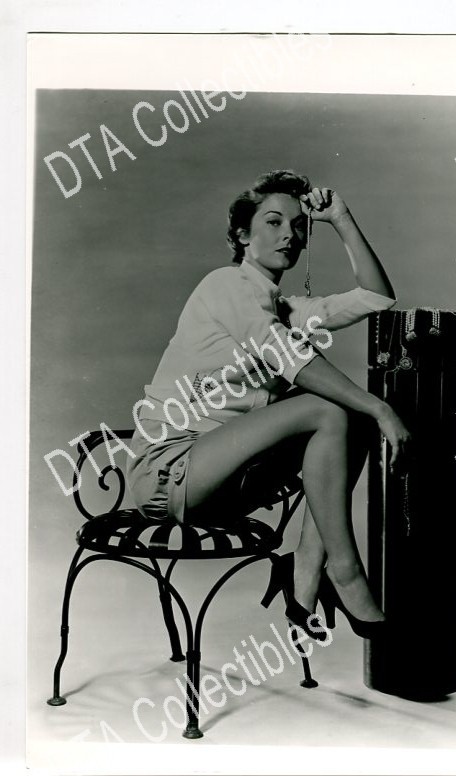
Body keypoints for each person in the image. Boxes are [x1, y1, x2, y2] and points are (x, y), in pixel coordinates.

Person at [126, 170, 410, 642]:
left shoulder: (285, 310)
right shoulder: (225, 285)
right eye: (274, 222)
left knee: (351, 420)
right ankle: (345, 571)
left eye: (298, 226)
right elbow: (287, 355)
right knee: (332, 408)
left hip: (229, 481)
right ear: (242, 235)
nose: (289, 235)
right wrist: (380, 408)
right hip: (170, 472)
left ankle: (306, 570)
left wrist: (340, 218)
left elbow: (377, 297)